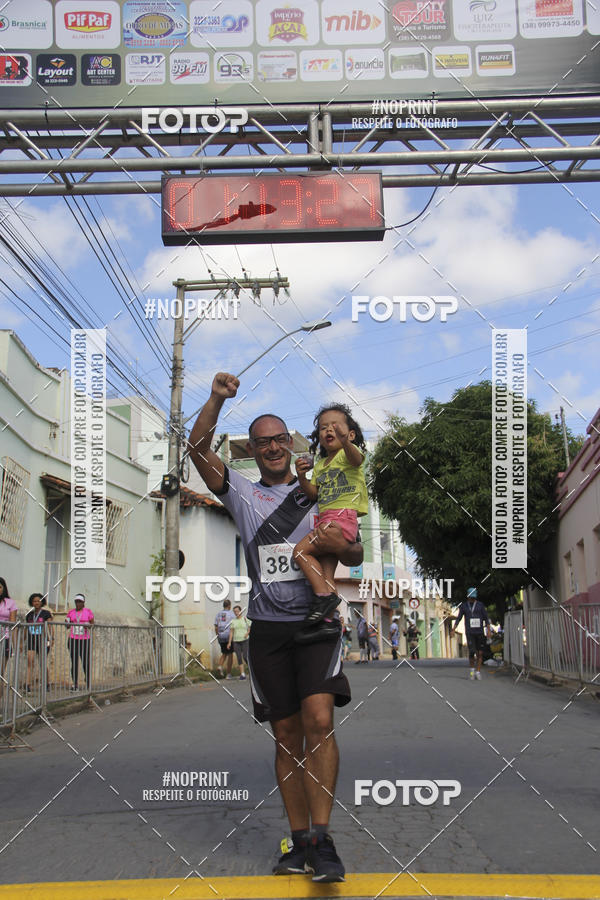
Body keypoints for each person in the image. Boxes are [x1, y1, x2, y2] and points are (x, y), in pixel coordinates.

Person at [188, 372, 364, 883]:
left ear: (291, 444)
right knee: (286, 735)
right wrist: (217, 399)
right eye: (261, 441)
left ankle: (324, 840)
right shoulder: (241, 494)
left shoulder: (323, 487)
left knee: (318, 722)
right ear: (254, 450)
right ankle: (300, 840)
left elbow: (354, 548)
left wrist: (341, 548)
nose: (270, 448)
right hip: (265, 629)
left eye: (278, 439)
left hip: (316, 623)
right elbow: (198, 449)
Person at [292, 404, 368, 638]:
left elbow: (356, 460)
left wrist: (347, 443)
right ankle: (328, 621)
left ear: (350, 434)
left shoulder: (349, 453)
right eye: (324, 427)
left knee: (300, 552)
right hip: (325, 520)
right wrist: (302, 476)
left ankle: (324, 598)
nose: (329, 430)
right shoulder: (321, 465)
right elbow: (312, 494)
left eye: (335, 426)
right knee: (327, 574)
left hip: (341, 519)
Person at [450, 587, 492, 680]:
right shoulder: (464, 606)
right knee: (472, 652)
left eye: (474, 597)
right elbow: (459, 618)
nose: (473, 599)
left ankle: (478, 671)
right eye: (471, 597)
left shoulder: (480, 605)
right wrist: (453, 629)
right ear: (468, 596)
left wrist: (488, 630)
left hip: (480, 632)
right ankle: (472, 671)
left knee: (480, 653)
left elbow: (486, 618)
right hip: (470, 632)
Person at [25, 593, 53, 692]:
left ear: (42, 602)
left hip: (42, 640)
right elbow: (26, 628)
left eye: (38, 601)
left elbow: (50, 627)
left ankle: (47, 683)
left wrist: (51, 639)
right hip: (31, 640)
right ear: (32, 603)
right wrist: (22, 641)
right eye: (34, 601)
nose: (36, 603)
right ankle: (28, 684)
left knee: (42, 662)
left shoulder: (46, 613)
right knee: (30, 661)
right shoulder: (29, 615)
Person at [65, 593, 94, 691]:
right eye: (76, 602)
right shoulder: (71, 612)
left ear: (83, 603)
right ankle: (75, 684)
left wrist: (88, 625)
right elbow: (67, 625)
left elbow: (92, 624)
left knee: (85, 662)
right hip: (73, 639)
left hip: (85, 640)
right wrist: (67, 623)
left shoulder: (88, 612)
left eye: (80, 602)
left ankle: (88, 682)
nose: (78, 604)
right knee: (74, 662)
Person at [0, 577, 17, 685]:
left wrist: (15, 643)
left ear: (4, 588)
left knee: (0, 671)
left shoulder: (10, 603)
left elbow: (13, 624)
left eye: (0, 587)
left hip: (5, 638)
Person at [227, 604, 250, 679]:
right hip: (236, 641)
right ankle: (242, 674)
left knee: (245, 657)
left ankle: (251, 670)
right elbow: (231, 632)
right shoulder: (233, 621)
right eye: (235, 612)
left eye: (237, 611)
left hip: (245, 640)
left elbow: (250, 627)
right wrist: (229, 642)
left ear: (241, 611)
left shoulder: (245, 619)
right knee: (239, 657)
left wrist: (247, 633)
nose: (236, 613)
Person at [214, 598, 235, 679]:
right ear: (229, 606)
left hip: (221, 636)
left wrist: (217, 635)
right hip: (229, 636)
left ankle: (220, 666)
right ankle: (228, 674)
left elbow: (216, 626)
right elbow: (234, 625)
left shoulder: (218, 614)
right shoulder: (231, 614)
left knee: (224, 652)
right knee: (230, 654)